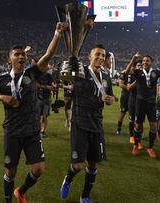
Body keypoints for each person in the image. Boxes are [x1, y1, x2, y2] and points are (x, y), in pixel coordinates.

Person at [0, 22, 67, 203]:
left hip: (32, 131)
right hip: (12, 131)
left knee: (39, 169)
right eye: (16, 54)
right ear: (9, 59)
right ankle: (8, 200)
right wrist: (1, 98)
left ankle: (21, 190)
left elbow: (48, 55)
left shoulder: (32, 74)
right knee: (10, 171)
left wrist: (57, 33)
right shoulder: (0, 79)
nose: (21, 57)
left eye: (23, 54)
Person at [60, 44, 114, 203]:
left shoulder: (106, 77)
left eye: (103, 56)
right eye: (97, 54)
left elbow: (108, 97)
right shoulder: (81, 72)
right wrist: (70, 65)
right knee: (77, 165)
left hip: (97, 124)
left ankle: (84, 196)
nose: (100, 58)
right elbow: (63, 76)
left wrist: (110, 100)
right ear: (90, 56)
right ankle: (68, 180)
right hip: (79, 123)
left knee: (93, 165)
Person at [125, 53, 160, 158]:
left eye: (147, 61)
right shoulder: (138, 72)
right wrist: (133, 59)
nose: (144, 62)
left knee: (153, 125)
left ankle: (150, 148)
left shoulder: (155, 72)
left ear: (151, 62)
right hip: (140, 102)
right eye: (143, 61)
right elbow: (126, 72)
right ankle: (135, 145)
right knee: (138, 125)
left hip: (152, 103)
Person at [37, 65, 55, 138]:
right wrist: (46, 87)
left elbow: (52, 85)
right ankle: (36, 130)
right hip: (38, 98)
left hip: (47, 98)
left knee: (45, 116)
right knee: (37, 116)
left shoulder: (49, 76)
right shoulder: (37, 76)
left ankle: (43, 131)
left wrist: (53, 87)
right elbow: (35, 85)